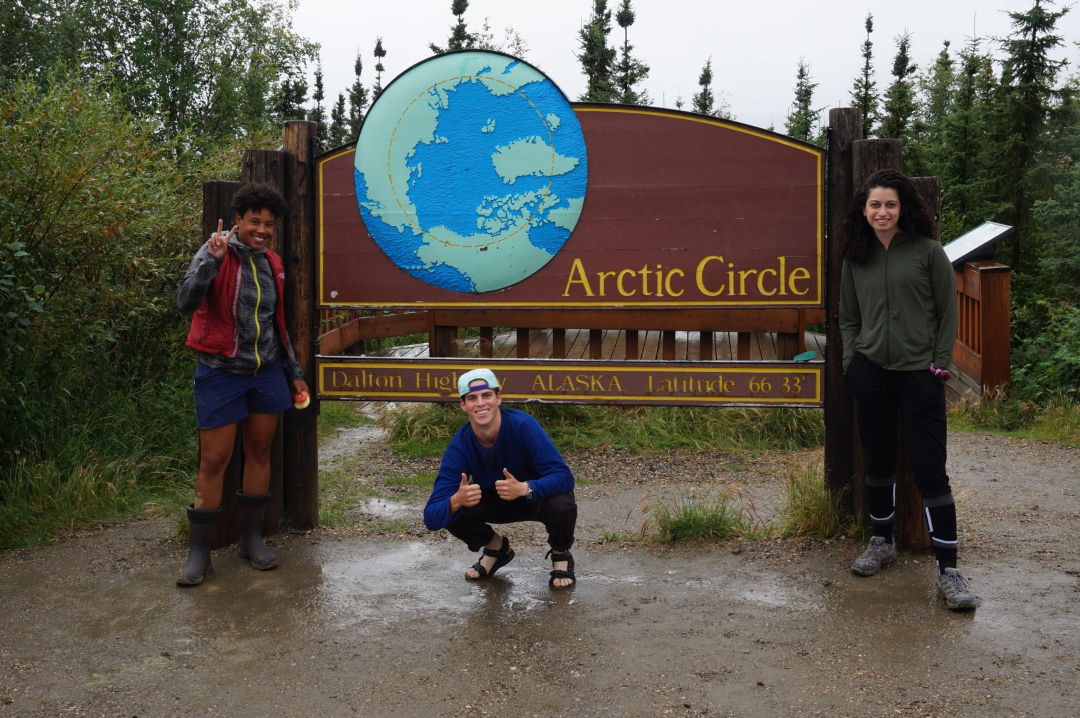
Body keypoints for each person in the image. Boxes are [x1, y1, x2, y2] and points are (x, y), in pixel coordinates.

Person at [840, 169, 976, 610]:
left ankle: (949, 571)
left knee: (931, 471)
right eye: (875, 204)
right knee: (878, 461)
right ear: (864, 209)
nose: (883, 212)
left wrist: (938, 364)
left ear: (904, 208)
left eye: (891, 204)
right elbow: (849, 318)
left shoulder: (927, 252)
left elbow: (946, 313)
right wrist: (853, 365)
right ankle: (882, 541)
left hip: (921, 374)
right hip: (872, 371)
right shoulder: (855, 257)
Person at [174, 183, 309, 586]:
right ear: (238, 220)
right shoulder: (214, 250)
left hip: (265, 372)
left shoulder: (273, 263)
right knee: (214, 459)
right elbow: (184, 301)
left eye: (269, 223)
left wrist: (293, 371)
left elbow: (277, 323)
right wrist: (210, 263)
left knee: (260, 450)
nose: (262, 229)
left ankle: (252, 538)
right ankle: (200, 550)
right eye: (255, 221)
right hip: (219, 371)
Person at [423, 369, 578, 589]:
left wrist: (526, 488)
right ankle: (496, 548)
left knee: (562, 502)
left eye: (486, 395)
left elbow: (565, 477)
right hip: (494, 503)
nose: (480, 403)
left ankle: (561, 554)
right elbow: (430, 517)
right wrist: (456, 501)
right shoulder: (459, 446)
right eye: (472, 398)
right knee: (450, 508)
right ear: (463, 405)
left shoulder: (523, 425)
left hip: (532, 498)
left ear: (498, 398)